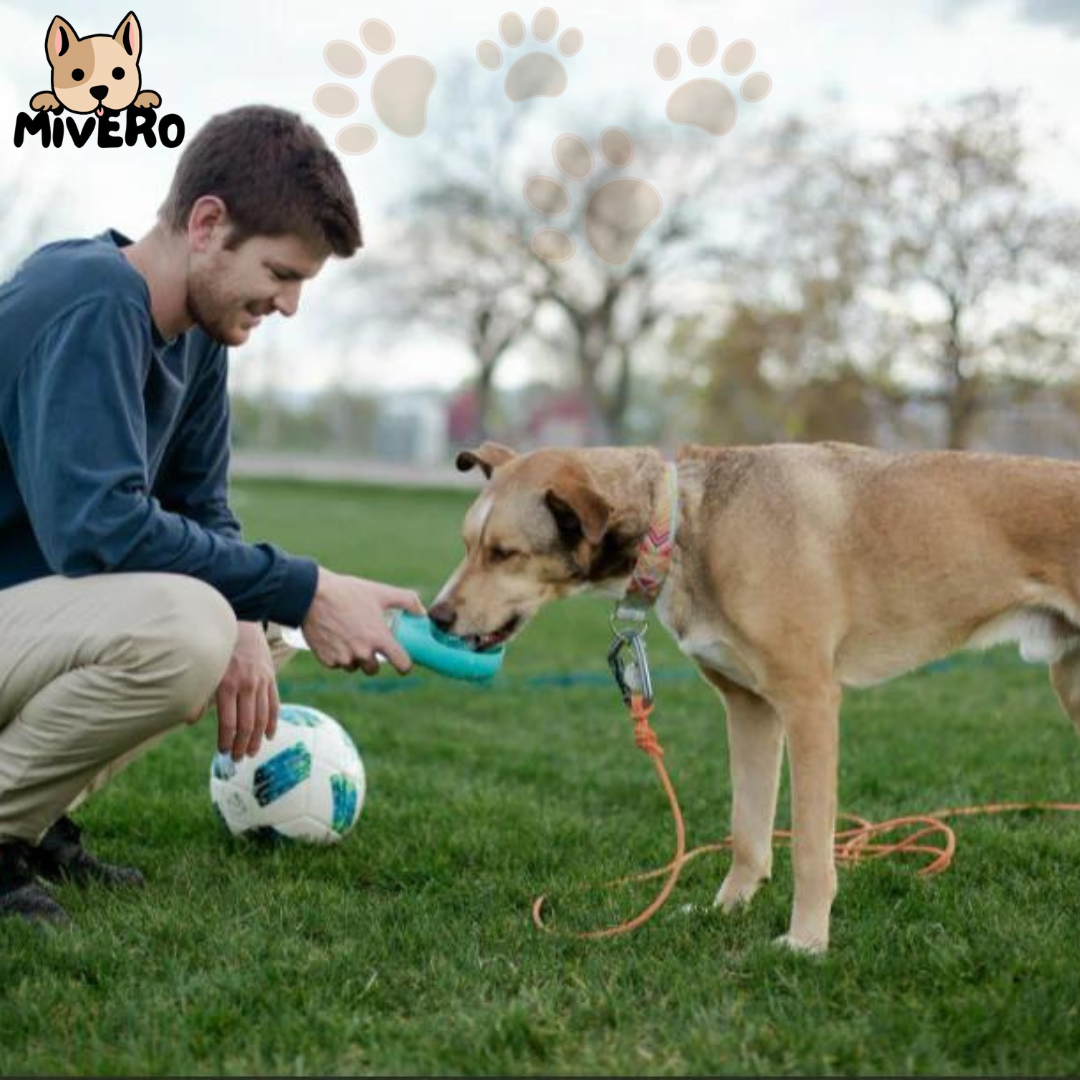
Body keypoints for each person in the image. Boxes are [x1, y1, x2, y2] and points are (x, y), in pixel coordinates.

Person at [0, 104, 425, 924]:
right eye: (282, 272)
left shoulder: (197, 335)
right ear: (206, 224)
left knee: (248, 631)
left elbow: (203, 507)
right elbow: (100, 529)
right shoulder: (90, 300)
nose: (291, 305)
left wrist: (260, 608)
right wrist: (304, 587)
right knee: (192, 625)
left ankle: (32, 820)